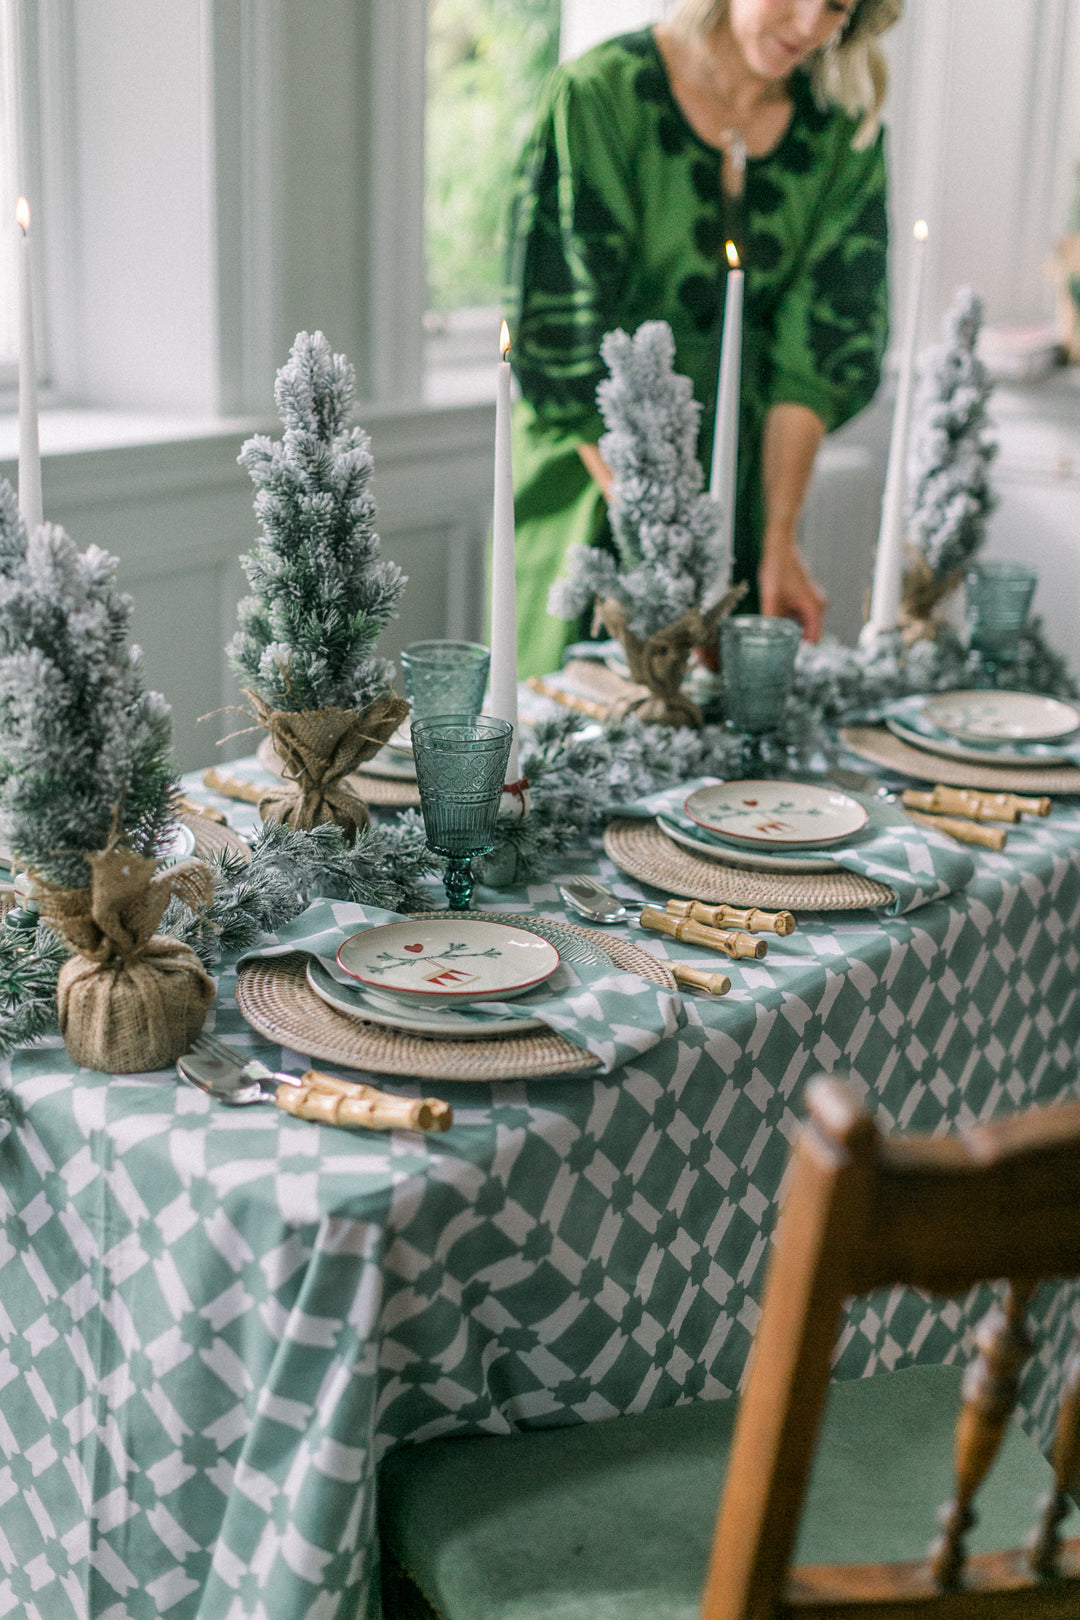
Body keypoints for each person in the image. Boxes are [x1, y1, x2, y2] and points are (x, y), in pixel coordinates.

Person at [505, 0, 901, 678]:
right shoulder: (599, 97)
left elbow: (815, 356)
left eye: (837, 5)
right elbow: (566, 334)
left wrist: (777, 538)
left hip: (745, 486)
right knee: (572, 732)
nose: (809, 24)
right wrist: (662, 539)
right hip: (589, 482)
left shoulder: (842, 135)